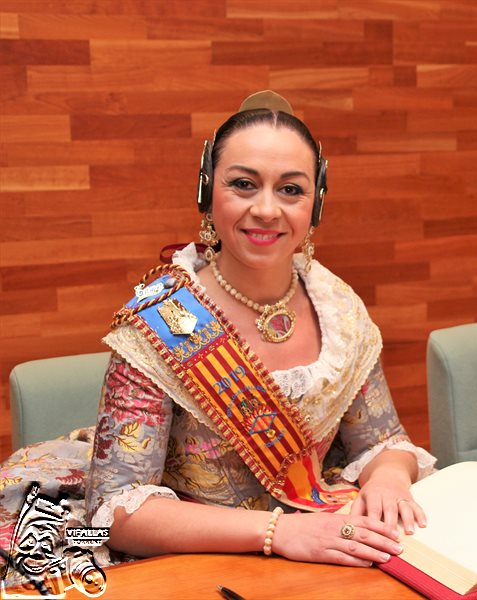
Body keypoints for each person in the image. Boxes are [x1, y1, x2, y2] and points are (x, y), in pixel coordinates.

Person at [0, 91, 435, 582]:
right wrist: (276, 532)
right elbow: (119, 512)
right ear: (208, 191)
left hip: (317, 540)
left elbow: (382, 441)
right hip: (187, 553)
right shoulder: (159, 319)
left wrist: (391, 478)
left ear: (316, 203)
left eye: (291, 190)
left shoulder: (337, 307)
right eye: (244, 184)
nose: (267, 210)